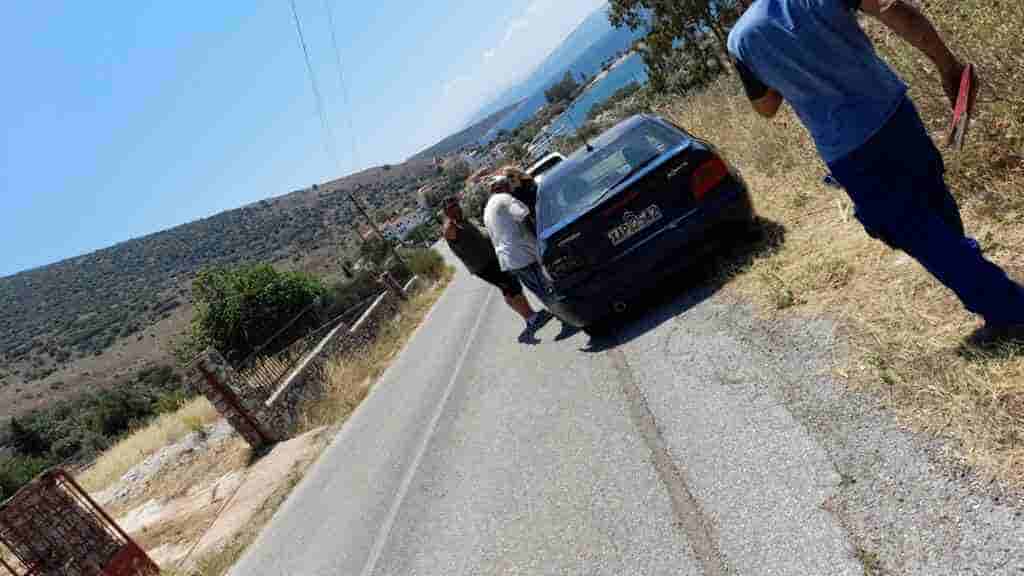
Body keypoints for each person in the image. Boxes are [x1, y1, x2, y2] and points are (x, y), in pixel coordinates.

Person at [727, 0, 1024, 347]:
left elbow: (766, 107)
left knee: (919, 235)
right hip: (896, 114)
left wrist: (783, 62)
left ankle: (1010, 309)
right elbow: (897, 12)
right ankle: (990, 297)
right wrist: (948, 66)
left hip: (849, 151)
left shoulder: (740, 40)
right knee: (934, 208)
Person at [442, 196, 551, 333]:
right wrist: (448, 220)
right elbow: (448, 232)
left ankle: (530, 316)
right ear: (447, 212)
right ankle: (531, 317)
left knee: (510, 286)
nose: (456, 208)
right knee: (509, 286)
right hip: (484, 265)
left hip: (492, 259)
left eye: (456, 205)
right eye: (451, 207)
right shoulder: (451, 227)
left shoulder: (463, 221)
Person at [483, 175, 553, 328]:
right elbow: (524, 217)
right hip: (524, 253)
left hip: (510, 259)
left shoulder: (487, 208)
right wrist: (540, 240)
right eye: (508, 184)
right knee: (547, 285)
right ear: (502, 187)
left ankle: (557, 312)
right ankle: (564, 311)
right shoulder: (505, 199)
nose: (510, 187)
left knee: (538, 289)